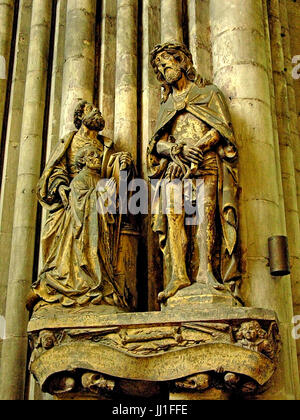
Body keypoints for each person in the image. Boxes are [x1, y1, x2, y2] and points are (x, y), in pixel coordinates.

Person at [148, 42, 241, 303]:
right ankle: (178, 275)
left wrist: (195, 148)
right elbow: (157, 143)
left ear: (182, 62)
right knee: (174, 217)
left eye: (167, 64)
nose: (164, 71)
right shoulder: (167, 106)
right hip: (175, 168)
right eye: (160, 69)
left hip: (205, 161)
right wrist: (175, 150)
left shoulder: (209, 94)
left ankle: (207, 273)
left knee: (205, 215)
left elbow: (221, 130)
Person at [28, 101, 134, 309]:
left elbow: (110, 173)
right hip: (73, 195)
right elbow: (57, 169)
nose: (96, 111)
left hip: (99, 197)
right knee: (58, 231)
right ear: (80, 116)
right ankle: (60, 283)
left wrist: (122, 163)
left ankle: (97, 282)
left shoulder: (106, 145)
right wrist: (60, 187)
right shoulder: (69, 140)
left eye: (97, 109)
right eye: (90, 110)